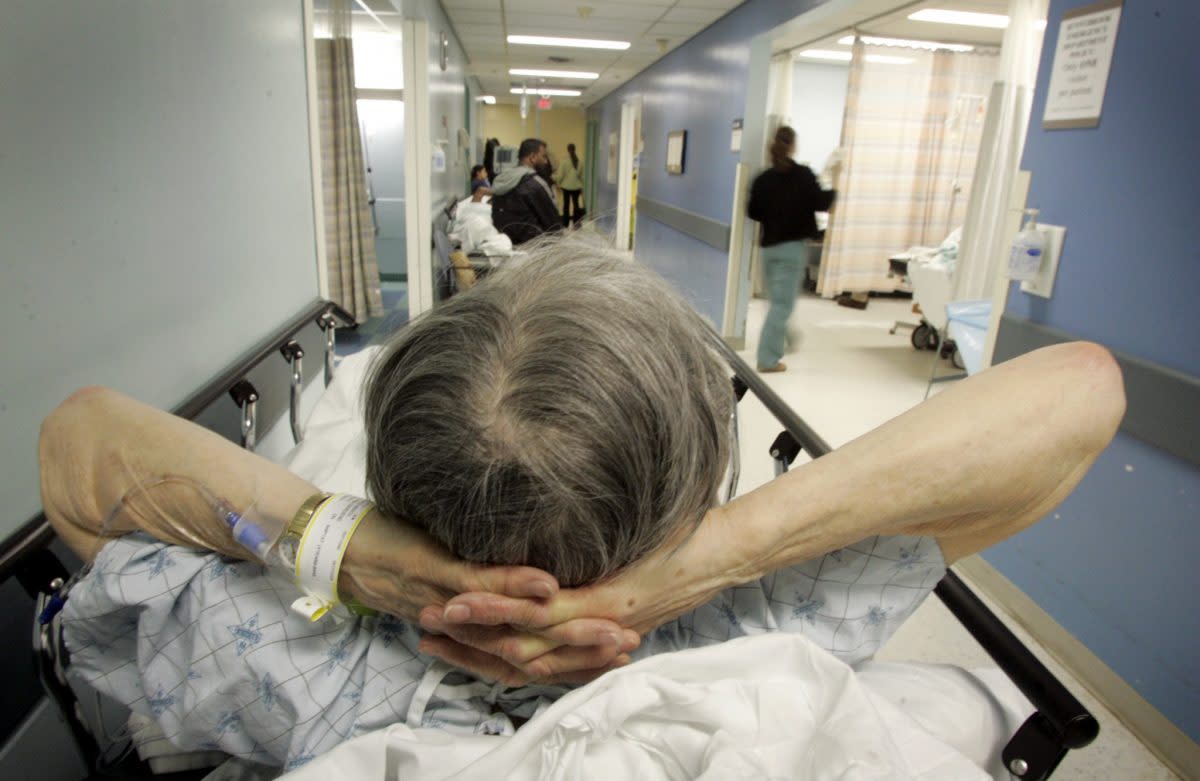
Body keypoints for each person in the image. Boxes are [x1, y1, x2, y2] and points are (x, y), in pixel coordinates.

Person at [39, 235, 1125, 768]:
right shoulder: (762, 626)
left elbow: (81, 452)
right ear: (699, 475)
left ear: (393, 472)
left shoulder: (281, 652)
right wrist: (710, 561)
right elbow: (1081, 393)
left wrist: (345, 545)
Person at [747, 125, 836, 373]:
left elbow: (752, 211)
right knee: (781, 305)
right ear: (793, 146)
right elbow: (822, 202)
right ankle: (767, 359)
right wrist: (835, 188)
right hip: (791, 249)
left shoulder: (763, 179)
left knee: (776, 302)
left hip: (768, 250)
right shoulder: (804, 175)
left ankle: (791, 339)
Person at [489, 138, 562, 246]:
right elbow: (553, 225)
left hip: (507, 246)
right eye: (543, 156)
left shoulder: (501, 181)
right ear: (532, 157)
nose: (546, 161)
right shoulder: (535, 184)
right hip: (534, 249)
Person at [555, 143, 585, 228]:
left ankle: (565, 223)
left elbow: (560, 175)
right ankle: (577, 223)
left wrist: (557, 182)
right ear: (574, 149)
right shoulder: (580, 161)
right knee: (576, 205)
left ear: (568, 150)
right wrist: (582, 186)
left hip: (566, 187)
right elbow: (581, 176)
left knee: (566, 205)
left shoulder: (564, 161)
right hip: (577, 187)